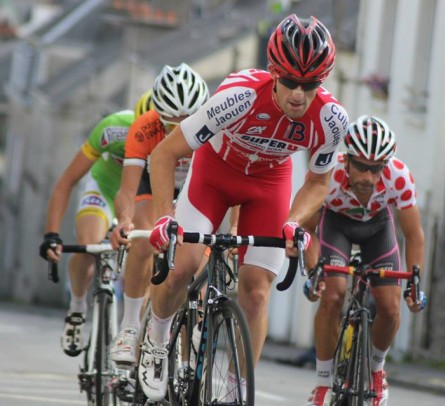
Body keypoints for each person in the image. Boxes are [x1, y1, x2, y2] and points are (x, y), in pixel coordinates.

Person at [139, 14, 348, 401]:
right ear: (273, 72)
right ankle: (156, 339)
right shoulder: (238, 97)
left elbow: (318, 182)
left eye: (311, 84)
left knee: (255, 293)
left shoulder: (331, 120)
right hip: (214, 174)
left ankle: (238, 391)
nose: (299, 94)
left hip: (268, 184)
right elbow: (164, 155)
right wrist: (163, 218)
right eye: (289, 82)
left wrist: (292, 221)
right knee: (181, 267)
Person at [303, 115, 426, 406]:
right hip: (336, 226)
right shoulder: (329, 174)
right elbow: (307, 228)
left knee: (391, 306)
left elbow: (414, 234)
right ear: (347, 159)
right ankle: (322, 383)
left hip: (377, 229)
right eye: (361, 167)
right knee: (332, 296)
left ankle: (376, 371)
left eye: (376, 169)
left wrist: (414, 283)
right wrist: (313, 272)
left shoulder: (399, 177)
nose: (368, 177)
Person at [108, 63, 210, 367]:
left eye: (187, 122)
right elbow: (127, 190)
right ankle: (129, 326)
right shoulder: (145, 126)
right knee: (144, 234)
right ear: (158, 115)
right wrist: (124, 220)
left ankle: (188, 350)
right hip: (153, 185)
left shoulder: (213, 126)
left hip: (195, 190)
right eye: (171, 123)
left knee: (202, 265)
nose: (179, 130)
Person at [38, 92, 153, 356]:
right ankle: (77, 307)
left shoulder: (166, 138)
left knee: (143, 250)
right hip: (105, 188)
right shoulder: (113, 128)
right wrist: (51, 234)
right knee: (89, 247)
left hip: (139, 196)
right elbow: (66, 182)